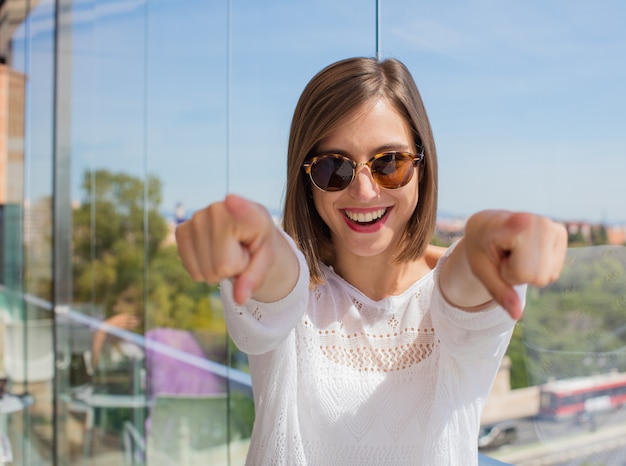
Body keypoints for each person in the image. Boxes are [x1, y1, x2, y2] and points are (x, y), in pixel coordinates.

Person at [176, 57, 567, 465]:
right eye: (333, 168)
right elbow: (279, 274)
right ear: (306, 182)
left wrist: (483, 243)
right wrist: (256, 236)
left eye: (390, 164)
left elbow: (462, 288)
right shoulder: (287, 292)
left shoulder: (454, 288)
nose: (363, 191)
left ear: (422, 165)